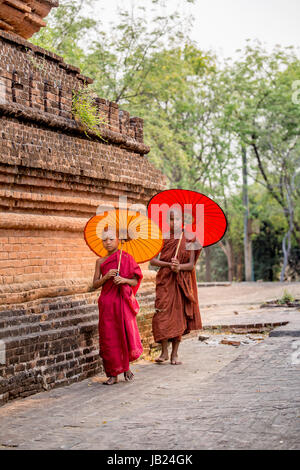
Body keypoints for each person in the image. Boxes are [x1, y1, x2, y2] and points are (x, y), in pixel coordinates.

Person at [150, 209, 202, 365]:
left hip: (180, 282)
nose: (175, 222)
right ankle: (164, 352)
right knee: (161, 314)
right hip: (165, 281)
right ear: (168, 221)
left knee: (178, 317)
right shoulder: (163, 237)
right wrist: (168, 264)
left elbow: (191, 265)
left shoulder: (190, 238)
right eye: (171, 219)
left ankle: (175, 354)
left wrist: (179, 267)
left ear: (183, 220)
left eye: (177, 219)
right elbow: (152, 260)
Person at [92, 229, 143, 385]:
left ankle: (126, 367)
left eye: (111, 239)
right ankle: (112, 374)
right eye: (104, 240)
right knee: (109, 338)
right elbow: (94, 284)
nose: (107, 242)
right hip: (107, 304)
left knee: (124, 334)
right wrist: (106, 277)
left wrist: (124, 280)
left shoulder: (126, 258)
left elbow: (135, 281)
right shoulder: (100, 262)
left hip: (122, 303)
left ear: (118, 240)